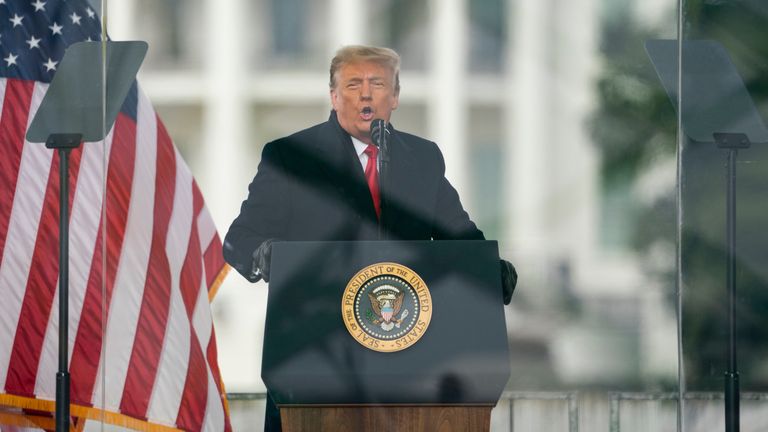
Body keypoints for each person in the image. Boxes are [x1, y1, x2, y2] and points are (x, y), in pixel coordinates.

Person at [223, 45, 517, 432]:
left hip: (411, 363)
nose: (365, 94)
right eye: (353, 84)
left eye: (377, 83)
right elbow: (239, 239)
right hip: (314, 360)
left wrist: (487, 270)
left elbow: (459, 236)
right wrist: (265, 255)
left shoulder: (422, 158)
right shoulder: (291, 157)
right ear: (333, 95)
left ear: (394, 96)